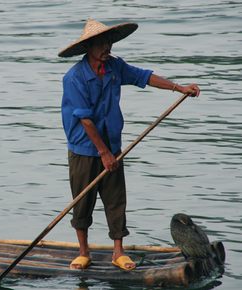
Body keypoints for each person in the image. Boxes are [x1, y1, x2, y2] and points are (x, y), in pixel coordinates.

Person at [59, 18, 200, 270]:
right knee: (82, 203)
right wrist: (103, 153)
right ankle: (83, 252)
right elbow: (86, 120)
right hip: (84, 149)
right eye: (102, 43)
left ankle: (118, 252)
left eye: (109, 42)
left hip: (112, 146)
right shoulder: (74, 78)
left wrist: (179, 88)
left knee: (116, 201)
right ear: (89, 47)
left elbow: (143, 77)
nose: (107, 48)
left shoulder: (114, 68)